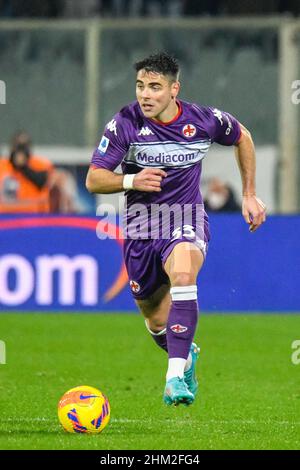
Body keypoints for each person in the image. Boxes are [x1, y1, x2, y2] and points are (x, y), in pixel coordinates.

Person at [86, 52, 266, 406]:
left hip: (185, 216)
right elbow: (94, 179)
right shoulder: (124, 123)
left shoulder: (203, 120)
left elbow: (242, 135)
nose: (145, 95)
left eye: (154, 87)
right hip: (140, 227)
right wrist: (131, 178)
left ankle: (173, 379)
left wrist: (249, 194)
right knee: (155, 319)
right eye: (140, 86)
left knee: (184, 275)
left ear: (173, 90)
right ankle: (186, 353)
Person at [0, 142, 53, 213]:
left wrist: (24, 168)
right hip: (6, 213)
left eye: (22, 153)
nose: (19, 157)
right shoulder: (4, 166)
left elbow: (42, 182)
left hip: (33, 214)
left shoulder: (39, 164)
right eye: (17, 153)